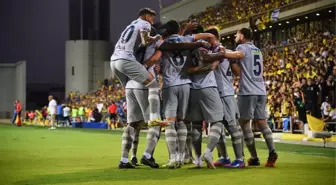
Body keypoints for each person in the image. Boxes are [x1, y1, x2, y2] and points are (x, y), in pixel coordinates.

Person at [223, 28, 278, 167]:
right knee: (262, 122)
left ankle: (254, 157)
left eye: (237, 34)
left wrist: (227, 56)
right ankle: (272, 151)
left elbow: (239, 68)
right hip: (261, 90)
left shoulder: (241, 47)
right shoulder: (257, 50)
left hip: (248, 91)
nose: (235, 36)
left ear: (242, 36)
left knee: (244, 123)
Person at [206, 26, 245, 168]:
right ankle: (224, 157)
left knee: (232, 126)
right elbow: (236, 72)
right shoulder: (222, 52)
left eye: (206, 38)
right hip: (216, 93)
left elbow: (237, 70)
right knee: (216, 125)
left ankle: (240, 159)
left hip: (225, 93)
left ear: (213, 37)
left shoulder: (221, 52)